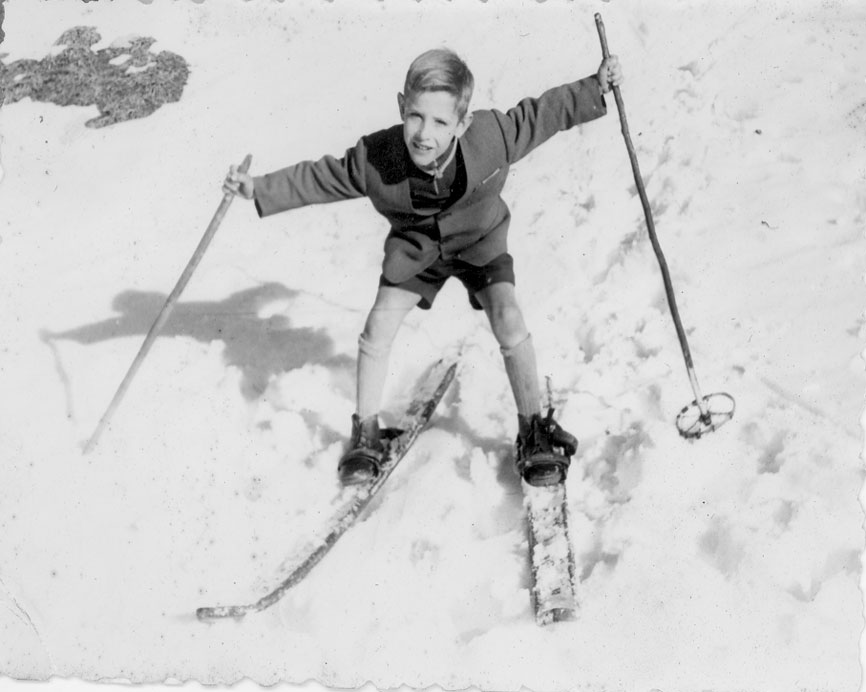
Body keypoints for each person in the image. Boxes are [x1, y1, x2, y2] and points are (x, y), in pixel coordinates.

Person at [224, 47, 623, 487]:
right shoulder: (377, 156)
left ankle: (533, 430)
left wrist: (596, 86)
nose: (423, 133)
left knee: (508, 316)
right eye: (415, 116)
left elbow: (542, 114)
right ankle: (367, 432)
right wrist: (258, 187)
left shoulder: (492, 136)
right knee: (378, 325)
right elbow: (324, 176)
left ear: (462, 123)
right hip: (417, 252)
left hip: (479, 243)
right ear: (401, 106)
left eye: (439, 122)